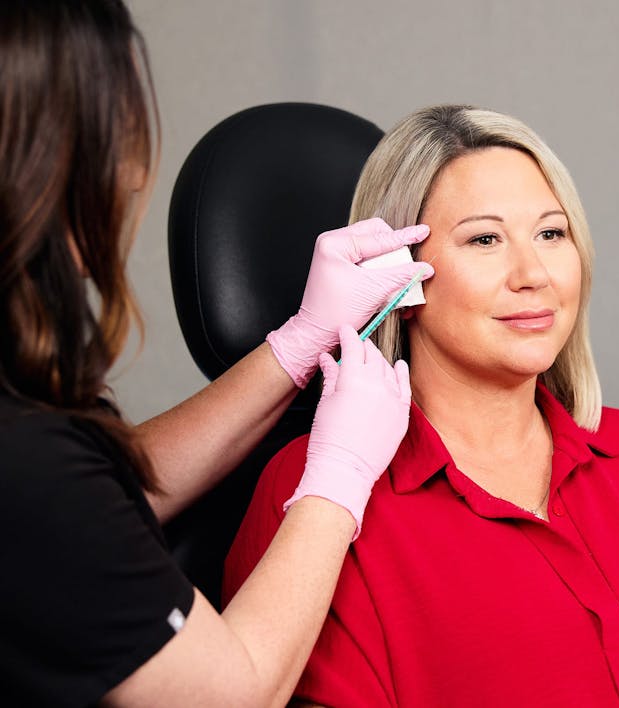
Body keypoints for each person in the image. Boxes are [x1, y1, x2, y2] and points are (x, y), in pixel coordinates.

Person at [224, 105, 619, 707]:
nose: (533, 273)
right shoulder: (315, 499)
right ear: (395, 275)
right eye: (485, 239)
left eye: (552, 234)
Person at [0, 1, 433, 705]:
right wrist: (338, 476)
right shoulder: (25, 461)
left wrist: (295, 347)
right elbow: (230, 693)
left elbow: (92, 507)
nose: (134, 177)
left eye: (551, 232)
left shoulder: (35, 458)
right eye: (482, 238)